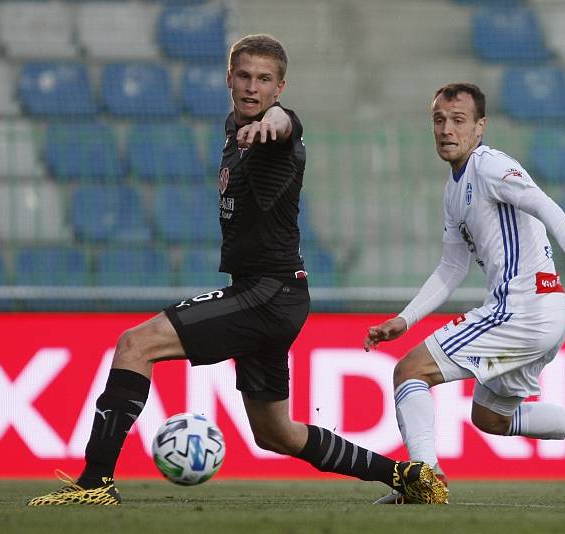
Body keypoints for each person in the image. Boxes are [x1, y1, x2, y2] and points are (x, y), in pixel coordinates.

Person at [27, 34, 447, 507]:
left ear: (280, 87)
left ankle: (94, 483)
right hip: (273, 295)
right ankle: (408, 478)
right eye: (244, 76)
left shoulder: (275, 136)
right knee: (276, 434)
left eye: (264, 80)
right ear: (229, 79)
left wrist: (274, 121)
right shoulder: (234, 128)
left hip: (269, 294)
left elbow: (288, 124)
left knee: (134, 344)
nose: (252, 87)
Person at [363, 83, 565, 504]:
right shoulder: (454, 189)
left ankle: (424, 478)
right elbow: (452, 267)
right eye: (439, 120)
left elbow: (540, 202)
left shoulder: (489, 165)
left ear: (479, 128)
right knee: (491, 417)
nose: (446, 129)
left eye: (458, 120)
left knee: (409, 372)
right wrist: (405, 318)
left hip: (523, 307)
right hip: (543, 311)